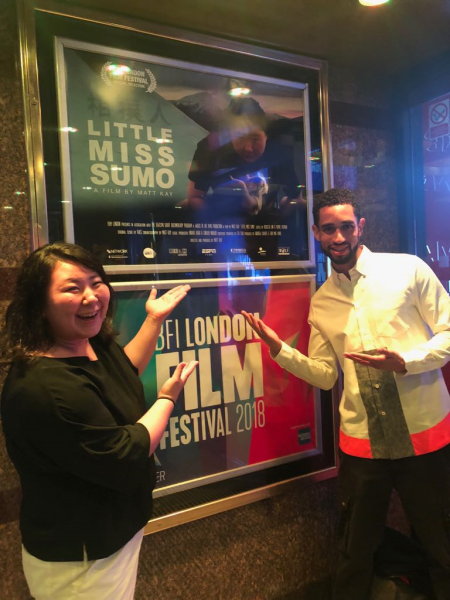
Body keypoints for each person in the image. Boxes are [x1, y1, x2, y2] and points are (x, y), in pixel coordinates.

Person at [242, 188, 450, 600]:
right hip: (362, 446)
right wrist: (279, 350)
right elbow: (323, 376)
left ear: (361, 228)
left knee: (441, 544)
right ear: (317, 233)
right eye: (329, 229)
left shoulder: (408, 270)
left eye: (346, 227)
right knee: (355, 550)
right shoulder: (321, 301)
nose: (339, 238)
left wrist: (406, 360)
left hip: (425, 437)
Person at [0, 242, 198, 600]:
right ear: (39, 304)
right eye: (72, 288)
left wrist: (154, 319)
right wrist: (167, 398)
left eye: (96, 282)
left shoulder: (88, 340)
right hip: (81, 560)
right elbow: (126, 450)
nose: (91, 297)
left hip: (113, 535)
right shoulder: (46, 387)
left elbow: (123, 371)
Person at [185, 97, 304, 216]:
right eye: (240, 137)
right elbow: (195, 197)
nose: (248, 148)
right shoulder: (209, 149)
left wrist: (278, 224)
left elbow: (295, 199)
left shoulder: (279, 153)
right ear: (229, 135)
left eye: (255, 139)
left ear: (266, 135)